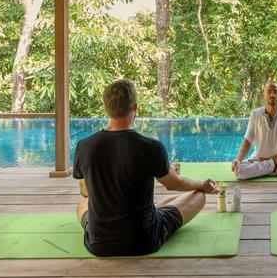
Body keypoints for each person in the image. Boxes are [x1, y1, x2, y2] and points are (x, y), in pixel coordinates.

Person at [74, 79, 217, 256]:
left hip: (98, 243)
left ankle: (146, 213)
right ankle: (151, 212)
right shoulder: (151, 147)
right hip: (143, 240)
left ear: (106, 108)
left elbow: (86, 192)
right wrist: (201, 185)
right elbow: (173, 183)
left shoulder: (84, 146)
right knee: (198, 197)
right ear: (134, 108)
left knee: (82, 202)